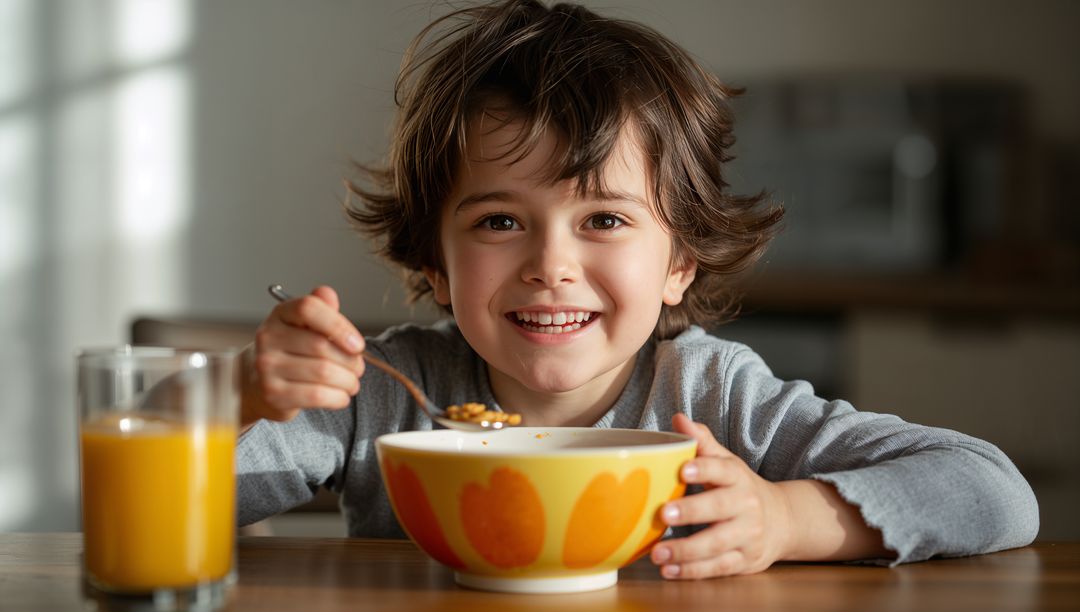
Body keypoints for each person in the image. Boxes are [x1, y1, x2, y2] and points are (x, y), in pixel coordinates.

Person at [236, 0, 1038, 579]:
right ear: (435, 263)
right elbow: (112, 509)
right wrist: (237, 400)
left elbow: (994, 492)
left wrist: (786, 519)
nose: (552, 265)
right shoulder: (372, 400)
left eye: (606, 221)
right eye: (499, 224)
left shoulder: (714, 398)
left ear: (679, 262)